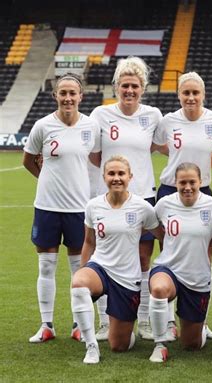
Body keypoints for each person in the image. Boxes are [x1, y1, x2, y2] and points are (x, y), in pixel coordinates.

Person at [90, 56, 164, 341]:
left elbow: (159, 146)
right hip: (108, 199)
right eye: (124, 86)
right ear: (116, 87)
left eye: (134, 85)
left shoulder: (153, 116)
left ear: (143, 88)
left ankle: (144, 319)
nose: (129, 91)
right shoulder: (101, 115)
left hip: (143, 196)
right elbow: (96, 156)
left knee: (143, 258)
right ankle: (103, 321)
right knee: (105, 258)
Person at [23, 73, 100, 343]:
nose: (68, 98)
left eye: (72, 93)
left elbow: (98, 159)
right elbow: (28, 160)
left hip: (79, 208)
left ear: (81, 96)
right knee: (46, 267)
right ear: (55, 95)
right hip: (47, 206)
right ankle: (47, 325)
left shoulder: (92, 126)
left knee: (78, 270)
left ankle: (79, 325)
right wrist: (46, 180)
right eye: (63, 93)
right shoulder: (43, 126)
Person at [152, 72, 212, 340]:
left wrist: (210, 164)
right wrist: (175, 155)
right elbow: (156, 145)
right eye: (186, 93)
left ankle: (201, 319)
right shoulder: (168, 121)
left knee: (205, 256)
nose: (191, 98)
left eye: (196, 93)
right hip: (170, 190)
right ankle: (169, 319)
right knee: (169, 255)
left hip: (202, 190)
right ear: (179, 95)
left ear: (203, 95)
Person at [71, 155, 160, 364]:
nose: (116, 178)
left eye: (121, 174)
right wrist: (83, 270)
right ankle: (91, 346)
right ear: (104, 177)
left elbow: (162, 236)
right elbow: (89, 242)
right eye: (111, 173)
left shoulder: (142, 207)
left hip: (127, 278)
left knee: (119, 346)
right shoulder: (93, 206)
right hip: (100, 267)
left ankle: (123, 329)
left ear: (130, 177)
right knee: (79, 284)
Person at [147, 163, 212, 363]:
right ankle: (160, 345)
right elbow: (153, 226)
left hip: (197, 278)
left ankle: (198, 328)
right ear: (175, 183)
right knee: (158, 289)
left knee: (191, 345)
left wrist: (207, 240)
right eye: (182, 182)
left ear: (200, 182)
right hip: (168, 269)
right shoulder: (165, 204)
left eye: (192, 182)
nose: (187, 187)